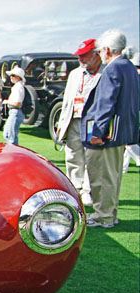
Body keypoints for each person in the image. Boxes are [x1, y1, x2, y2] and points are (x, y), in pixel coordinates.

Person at [81, 29, 139, 228]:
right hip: (120, 132)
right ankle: (109, 214)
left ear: (107, 50)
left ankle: (103, 215)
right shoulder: (129, 67)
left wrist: (97, 132)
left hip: (106, 133)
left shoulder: (113, 69)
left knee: (101, 176)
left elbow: (106, 103)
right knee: (113, 176)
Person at [55, 38, 104, 206]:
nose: (81, 59)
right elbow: (67, 100)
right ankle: (74, 189)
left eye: (85, 55)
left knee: (91, 157)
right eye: (79, 56)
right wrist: (61, 123)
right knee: (73, 155)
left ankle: (88, 191)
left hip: (92, 122)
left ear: (96, 54)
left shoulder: (104, 73)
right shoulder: (75, 74)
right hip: (74, 120)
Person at [122, 51, 140, 173]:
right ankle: (124, 167)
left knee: (129, 141)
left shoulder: (134, 76)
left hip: (131, 112)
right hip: (133, 111)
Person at [2, 66, 26, 145]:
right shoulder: (17, 87)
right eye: (11, 75)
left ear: (19, 77)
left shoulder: (18, 87)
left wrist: (7, 102)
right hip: (13, 112)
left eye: (13, 75)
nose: (11, 77)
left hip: (15, 112)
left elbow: (18, 103)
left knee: (11, 137)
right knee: (7, 134)